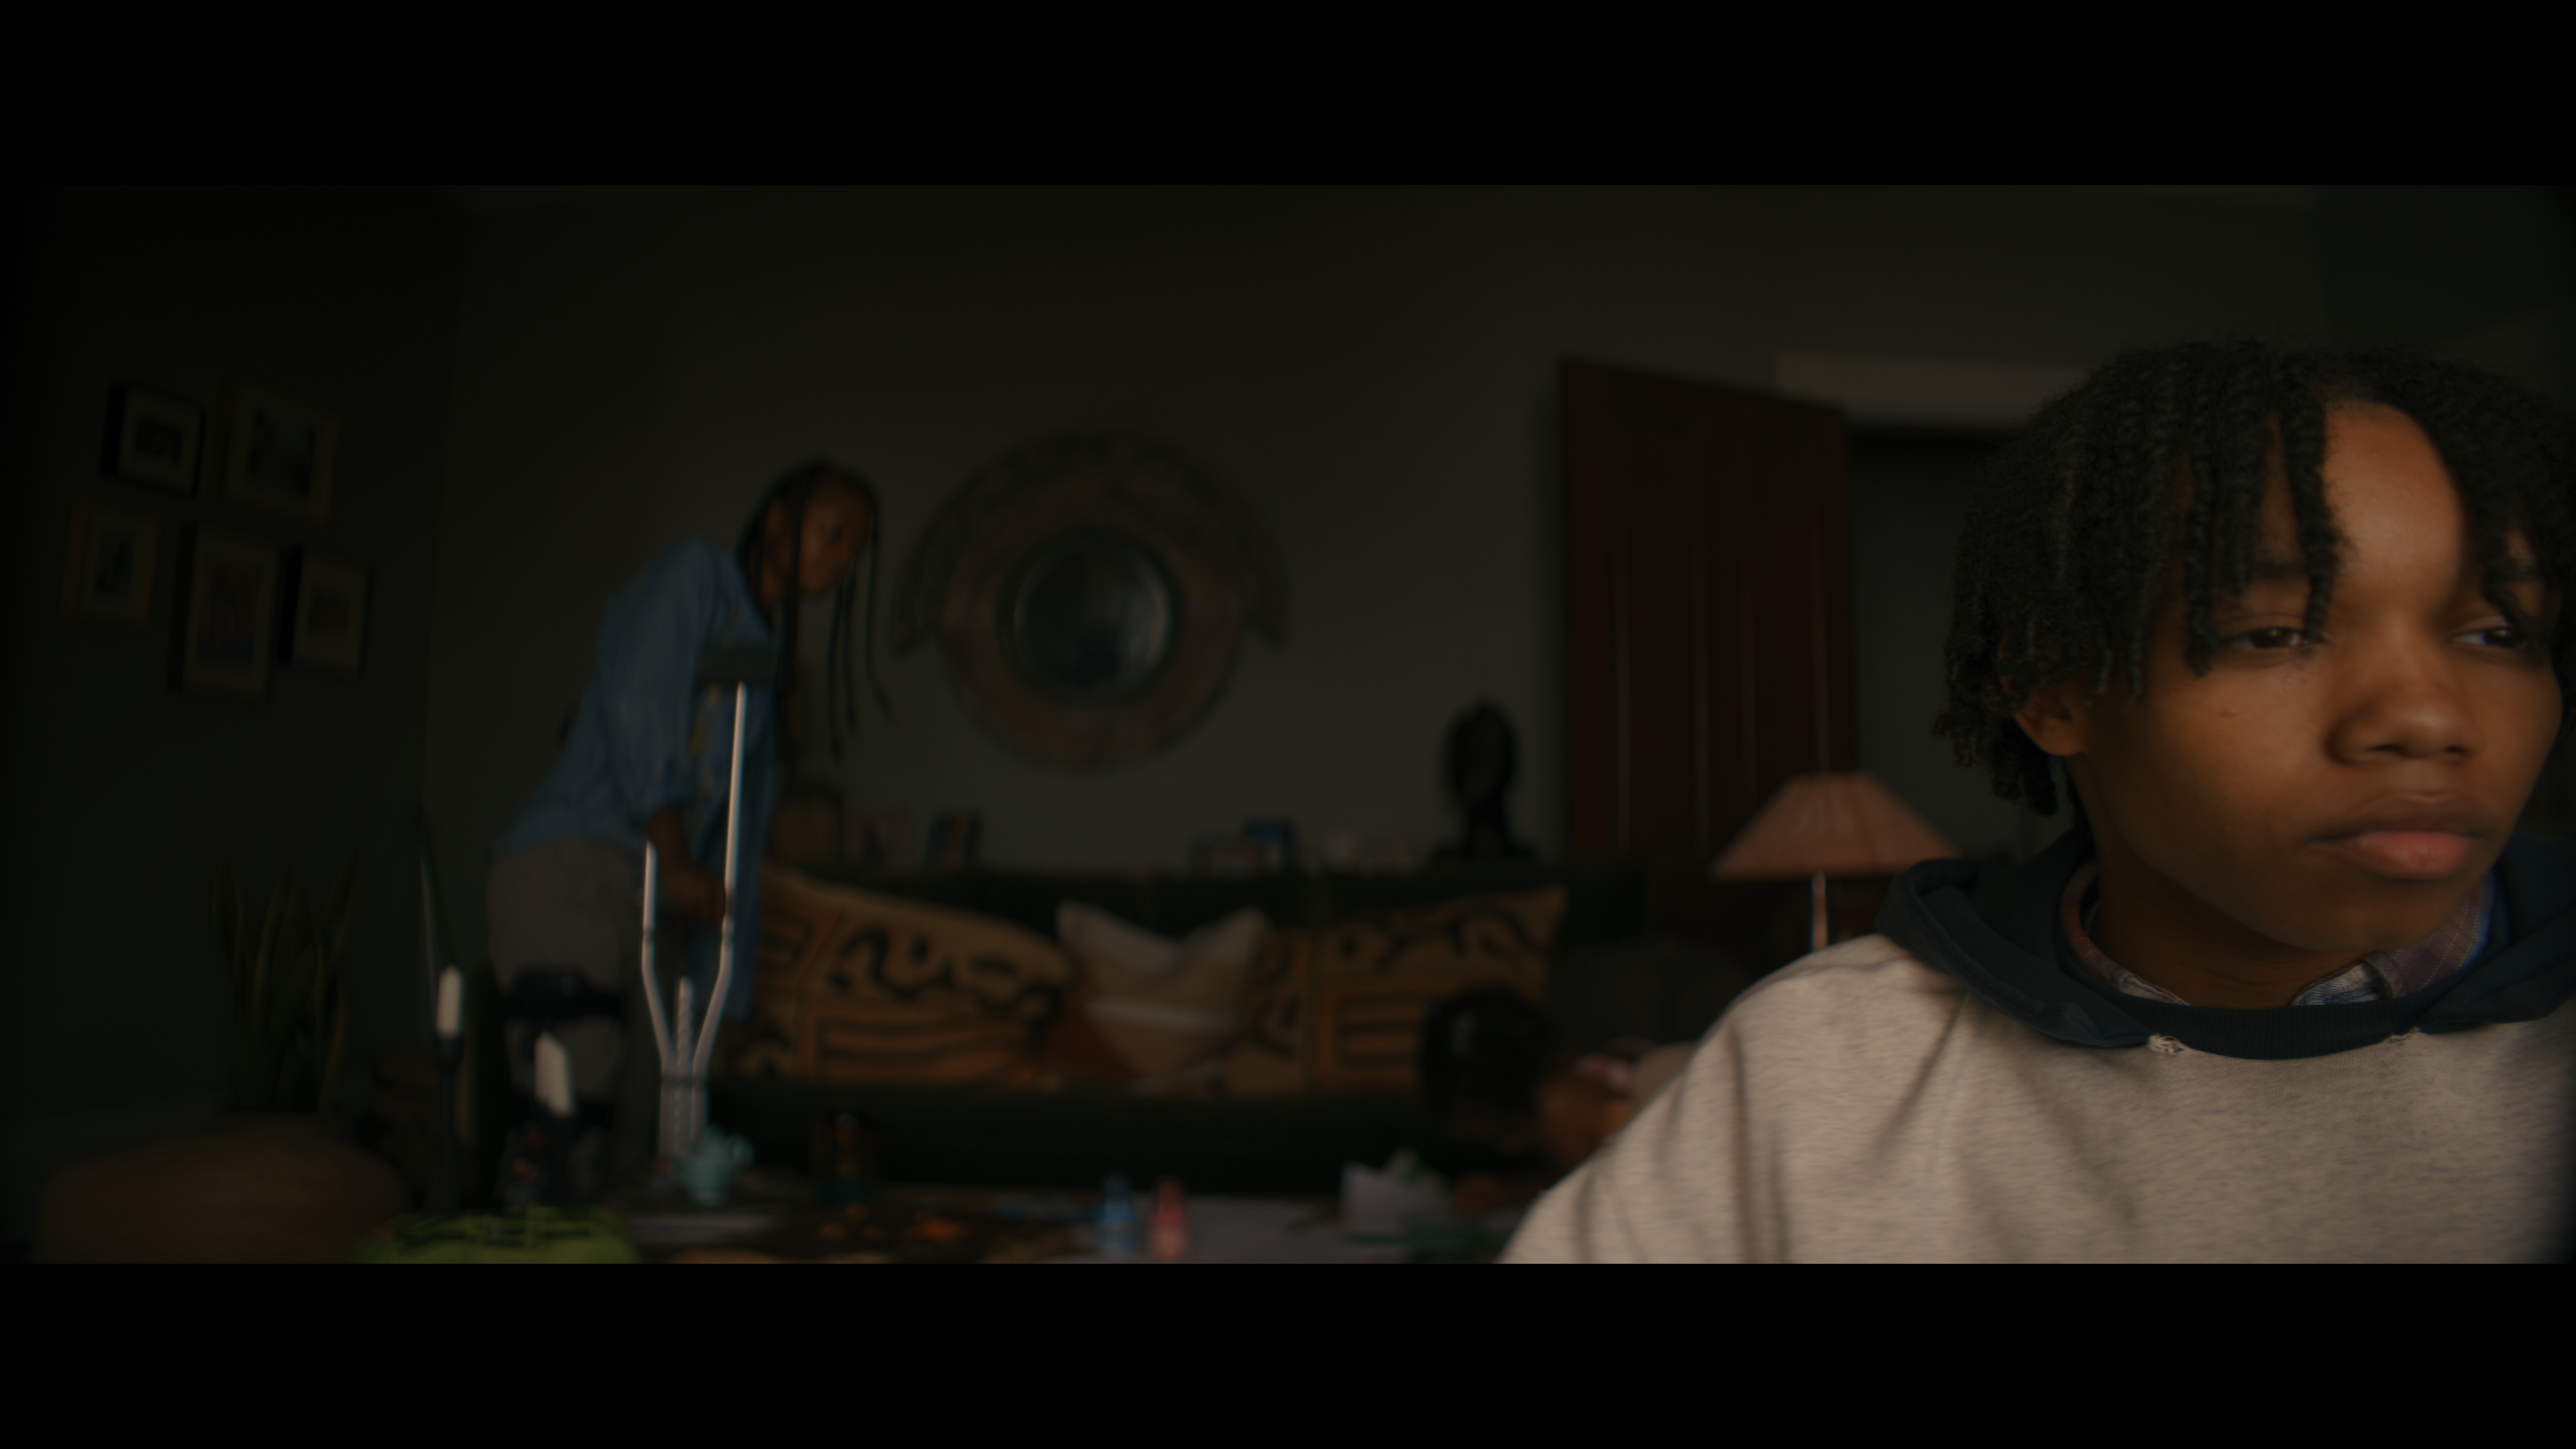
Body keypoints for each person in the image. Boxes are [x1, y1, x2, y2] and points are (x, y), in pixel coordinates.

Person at [1505, 340, 2576, 1263]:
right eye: (2273, 633)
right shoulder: (1819, 1063)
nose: (2428, 718)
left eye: (2499, 633)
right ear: (2053, 689)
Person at [486, 461, 885, 1197]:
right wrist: (673, 857)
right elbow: (641, 703)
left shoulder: (766, 660)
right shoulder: (695, 574)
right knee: (573, 1112)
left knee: (645, 1135)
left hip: (656, 896)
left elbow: (742, 835)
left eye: (853, 550)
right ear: (777, 521)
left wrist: (728, 998)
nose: (841, 559)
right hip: (574, 866)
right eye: (832, 532)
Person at [1419, 988, 1707, 1216]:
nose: (1507, 1146)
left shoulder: (1560, 1106)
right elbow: (1584, 1180)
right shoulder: (1595, 1063)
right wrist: (1510, 1192)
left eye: (1502, 1134)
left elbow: (1595, 1209)